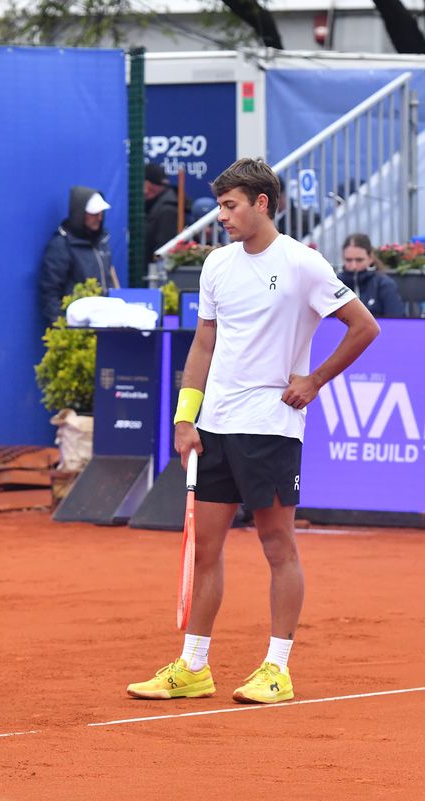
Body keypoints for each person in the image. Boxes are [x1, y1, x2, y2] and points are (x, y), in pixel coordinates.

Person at [127, 158, 379, 705]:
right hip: (215, 423)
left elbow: (365, 327)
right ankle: (193, 666)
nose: (222, 216)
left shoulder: (302, 265)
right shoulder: (217, 264)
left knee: (276, 544)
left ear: (262, 203)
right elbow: (204, 344)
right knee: (207, 548)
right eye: (220, 206)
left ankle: (276, 668)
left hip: (270, 426)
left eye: (230, 206)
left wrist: (313, 381)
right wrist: (184, 416)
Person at [39, 186, 119, 324]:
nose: (99, 218)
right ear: (80, 214)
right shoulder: (61, 245)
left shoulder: (102, 241)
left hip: (105, 324)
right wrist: (65, 325)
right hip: (77, 330)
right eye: (94, 213)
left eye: (101, 213)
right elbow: (50, 292)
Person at [338, 233, 404, 318]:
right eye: (348, 260)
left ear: (370, 259)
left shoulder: (384, 284)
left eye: (359, 260)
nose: (353, 266)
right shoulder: (336, 284)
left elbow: (396, 320)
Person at [143, 163, 180, 263]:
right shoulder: (157, 203)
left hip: (157, 272)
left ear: (148, 184)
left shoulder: (168, 209)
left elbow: (164, 247)